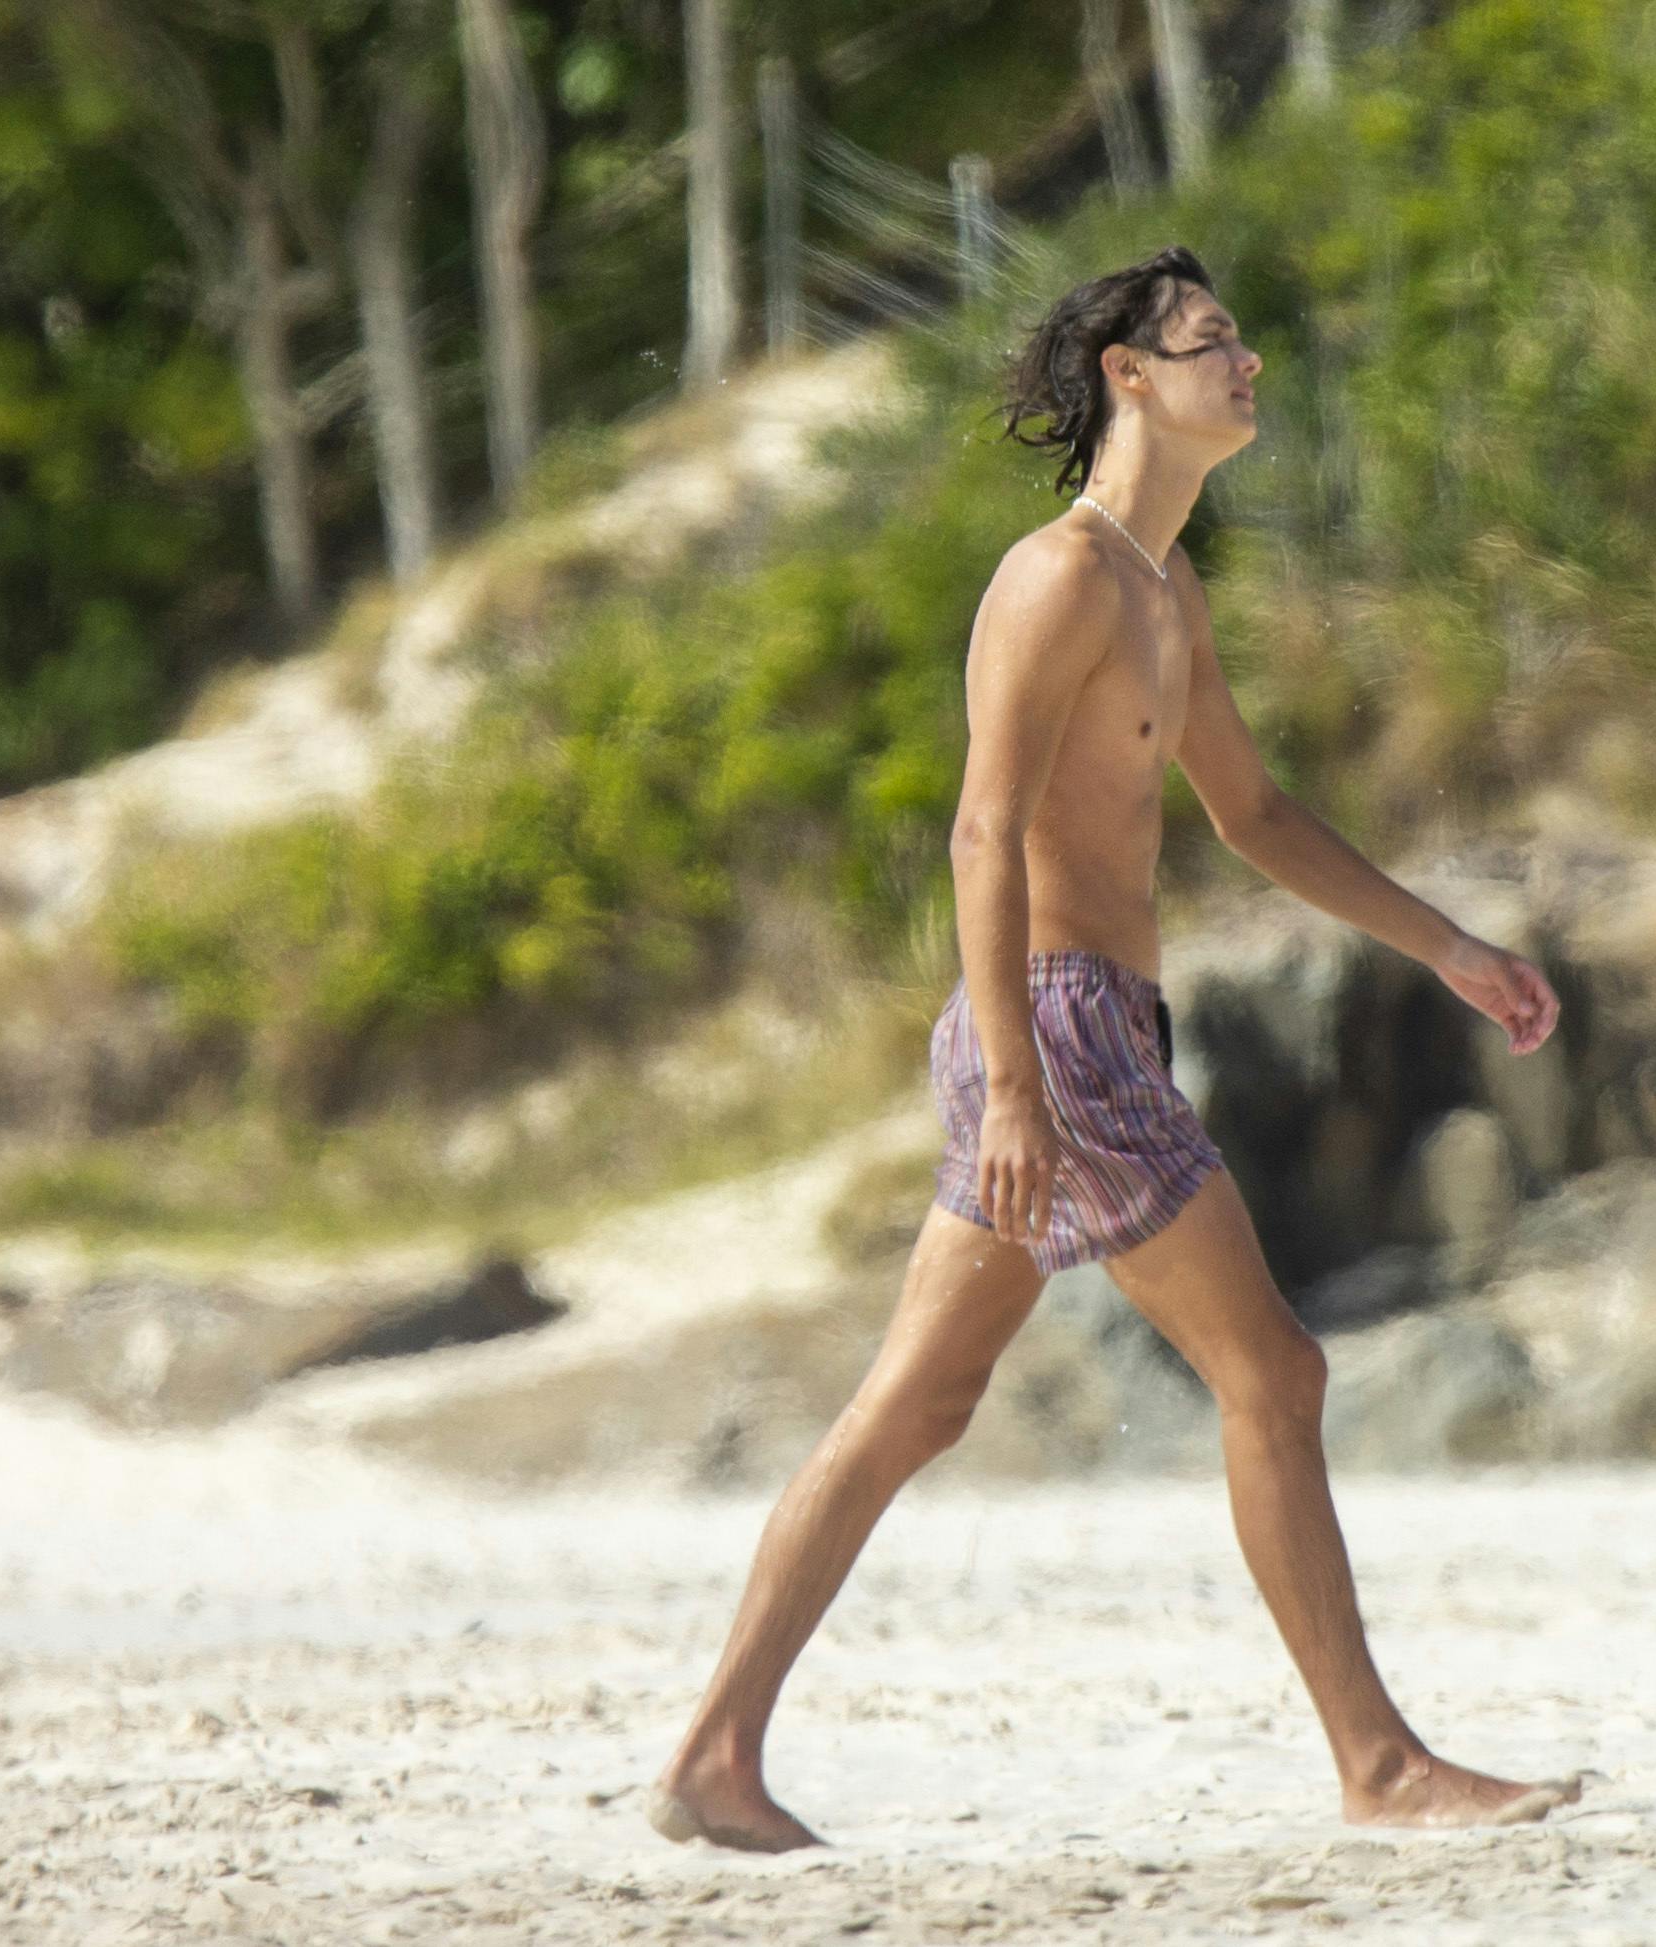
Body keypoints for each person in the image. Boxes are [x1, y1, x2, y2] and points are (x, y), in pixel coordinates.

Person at [650, 245, 1575, 1853]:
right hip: (1057, 1026)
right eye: (1213, 343)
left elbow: (1255, 814)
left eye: (1242, 341)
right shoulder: (1058, 577)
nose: (1248, 365)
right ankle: (1378, 1770)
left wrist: (1448, 948)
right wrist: (1015, 1085)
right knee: (1271, 1371)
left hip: (1088, 1026)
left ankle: (713, 1758)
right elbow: (981, 830)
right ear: (1127, 378)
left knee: (919, 1402)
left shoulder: (1163, 590)